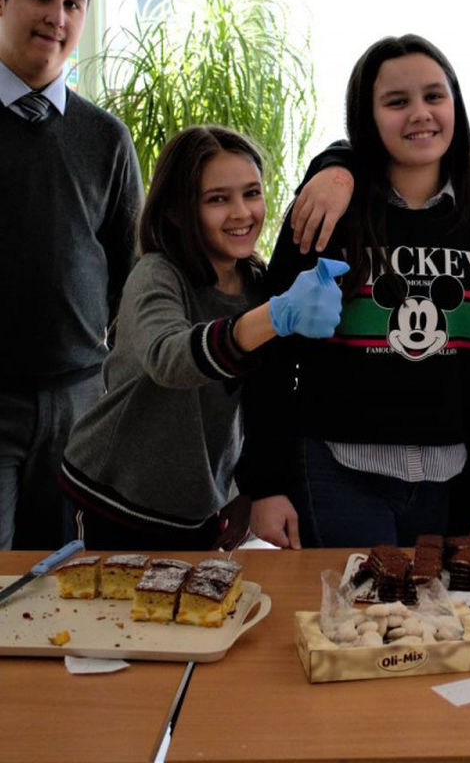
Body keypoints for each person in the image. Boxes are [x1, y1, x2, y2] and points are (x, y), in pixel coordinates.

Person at [244, 34, 470, 549]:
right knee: (354, 605)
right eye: (396, 102)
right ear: (366, 116)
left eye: (434, 96)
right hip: (336, 470)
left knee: (442, 606)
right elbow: (272, 354)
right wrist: (266, 484)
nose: (420, 114)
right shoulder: (327, 211)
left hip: (451, 481)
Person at [60, 126, 346, 551]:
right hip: (112, 497)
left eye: (252, 193)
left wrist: (249, 489)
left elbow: (260, 399)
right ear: (178, 211)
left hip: (197, 508)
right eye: (217, 199)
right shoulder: (157, 274)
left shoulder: (256, 283)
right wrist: (273, 316)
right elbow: (170, 359)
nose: (241, 212)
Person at [0, 0, 143, 551]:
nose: (56, 16)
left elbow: (128, 270)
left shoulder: (106, 137)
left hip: (80, 398)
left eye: (73, 2)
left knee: (61, 574)